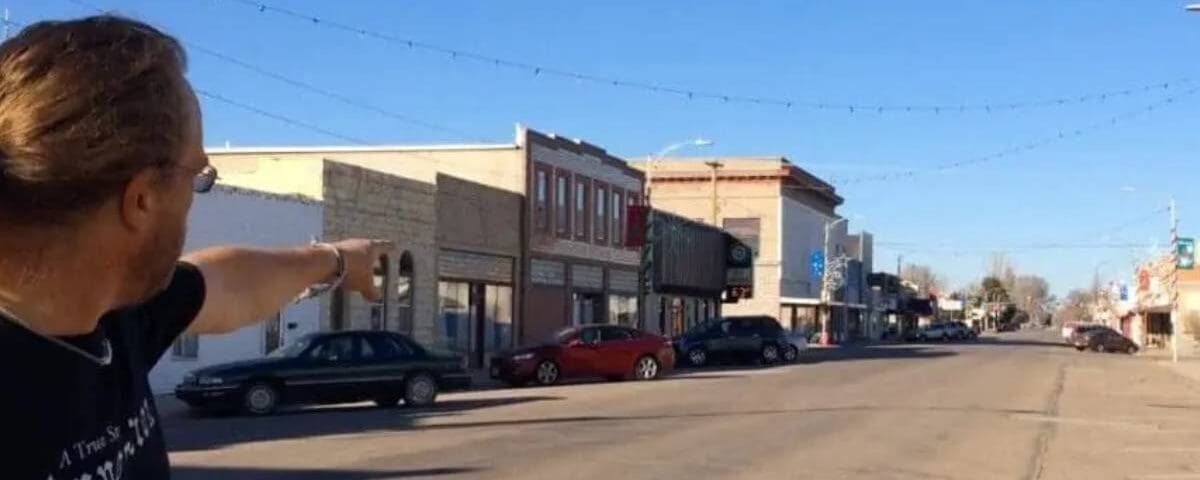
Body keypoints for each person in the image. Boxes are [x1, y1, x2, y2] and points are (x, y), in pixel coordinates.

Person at [0, 16, 393, 479]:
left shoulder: (106, 309)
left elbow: (228, 282)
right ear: (142, 198)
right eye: (198, 176)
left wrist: (339, 259)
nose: (195, 196)